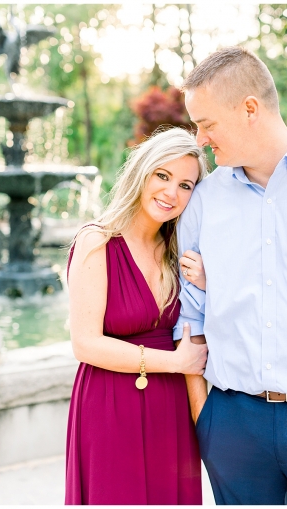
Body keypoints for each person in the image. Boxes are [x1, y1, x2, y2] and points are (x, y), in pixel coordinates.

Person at [175, 46, 287, 505]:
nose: (200, 139)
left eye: (207, 123)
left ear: (249, 109)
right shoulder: (204, 199)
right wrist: (208, 419)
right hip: (233, 426)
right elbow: (192, 317)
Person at [65, 127, 210, 505]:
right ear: (141, 173)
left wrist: (211, 285)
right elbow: (85, 343)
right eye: (162, 176)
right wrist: (176, 362)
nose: (171, 193)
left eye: (185, 185)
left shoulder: (181, 251)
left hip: (172, 409)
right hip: (110, 405)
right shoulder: (97, 241)